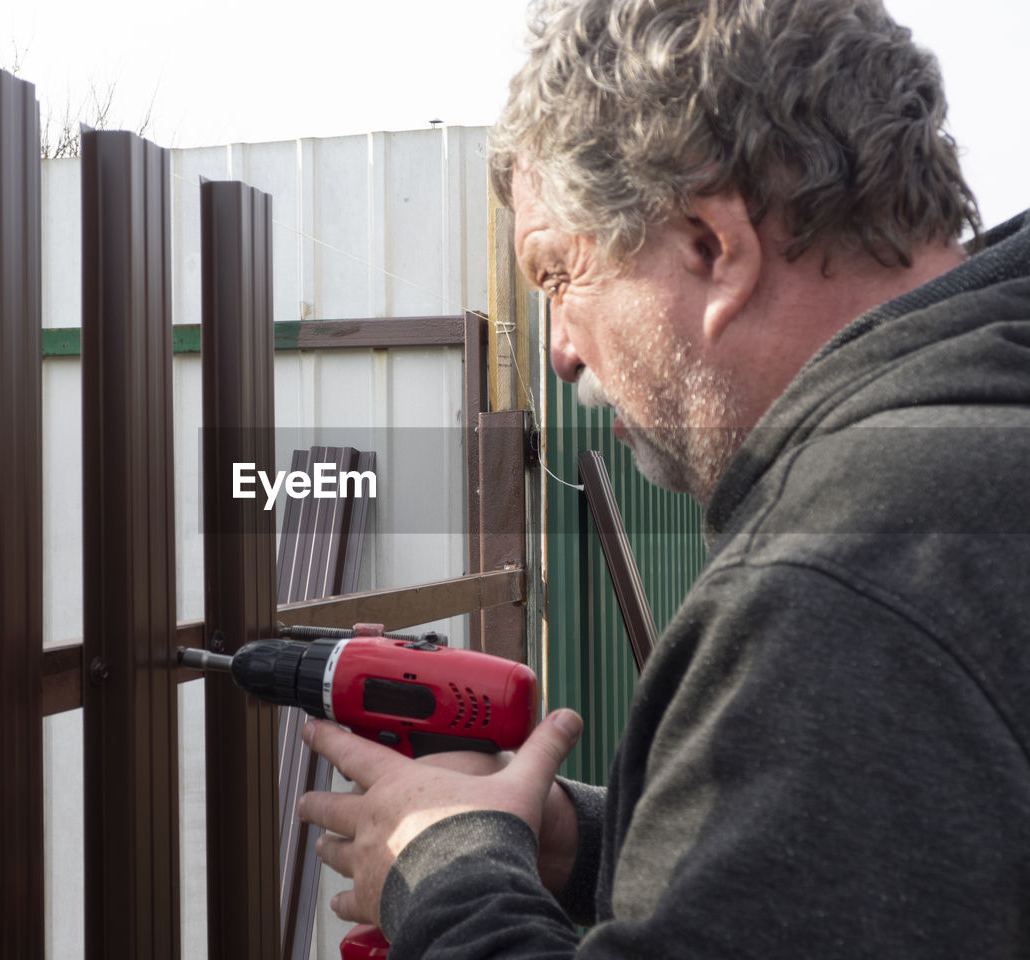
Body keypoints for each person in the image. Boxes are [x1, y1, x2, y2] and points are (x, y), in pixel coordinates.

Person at [298, 0, 1030, 955]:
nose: (559, 349)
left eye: (557, 274)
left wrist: (448, 873)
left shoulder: (853, 575)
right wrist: (579, 844)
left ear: (710, 247)